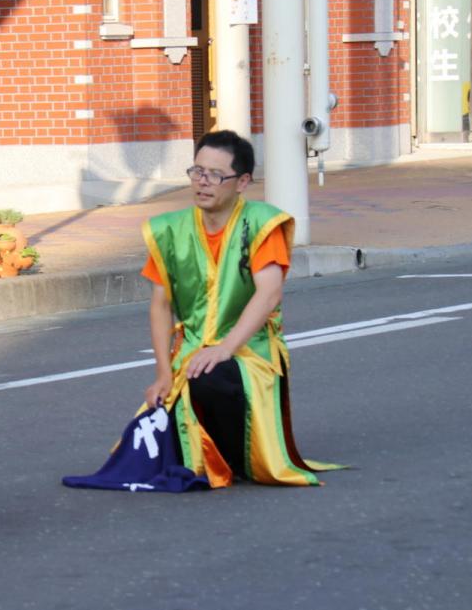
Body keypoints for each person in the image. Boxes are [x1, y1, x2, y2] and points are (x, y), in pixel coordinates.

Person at [63, 131, 337, 493]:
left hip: (250, 352)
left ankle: (235, 454)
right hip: (190, 351)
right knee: (152, 439)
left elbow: (268, 294)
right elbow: (160, 306)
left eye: (215, 175)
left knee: (211, 375)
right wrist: (163, 373)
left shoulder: (260, 223)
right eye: (197, 171)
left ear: (241, 182)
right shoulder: (170, 230)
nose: (202, 182)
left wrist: (224, 349)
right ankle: (211, 451)